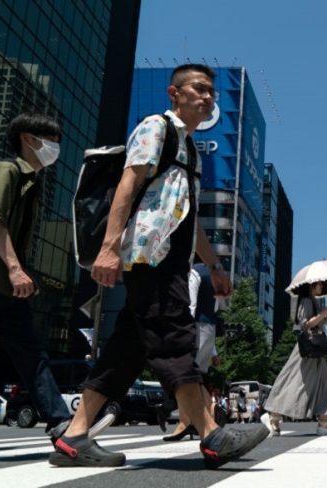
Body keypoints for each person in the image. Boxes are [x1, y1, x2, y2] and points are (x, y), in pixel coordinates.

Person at [50, 64, 268, 470]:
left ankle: (74, 437)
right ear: (174, 93)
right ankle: (212, 434)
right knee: (174, 334)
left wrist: (214, 266)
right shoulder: (157, 127)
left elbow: (187, 215)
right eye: (199, 89)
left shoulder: (189, 149)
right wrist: (109, 248)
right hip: (151, 257)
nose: (208, 98)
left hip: (169, 257)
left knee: (126, 350)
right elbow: (127, 185)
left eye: (212, 93)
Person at [0, 112, 80, 449]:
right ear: (27, 138)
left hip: (6, 288)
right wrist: (14, 268)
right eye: (51, 140)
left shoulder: (32, 182)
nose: (55, 147)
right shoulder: (7, 171)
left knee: (32, 356)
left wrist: (19, 273)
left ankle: (62, 425)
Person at [261, 282, 327, 437]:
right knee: (293, 380)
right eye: (320, 284)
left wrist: (326, 318)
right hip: (307, 349)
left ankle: (324, 420)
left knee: (325, 383)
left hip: (315, 350)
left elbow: (316, 323)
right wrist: (323, 313)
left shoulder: (314, 300)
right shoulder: (306, 300)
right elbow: (305, 324)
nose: (322, 287)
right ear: (312, 285)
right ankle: (274, 415)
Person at [161, 261, 223, 441]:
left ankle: (187, 422)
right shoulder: (214, 275)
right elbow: (216, 307)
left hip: (194, 327)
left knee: (186, 374)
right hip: (209, 328)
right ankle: (205, 416)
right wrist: (213, 351)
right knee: (197, 377)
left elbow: (192, 304)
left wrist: (182, 327)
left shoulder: (195, 273)